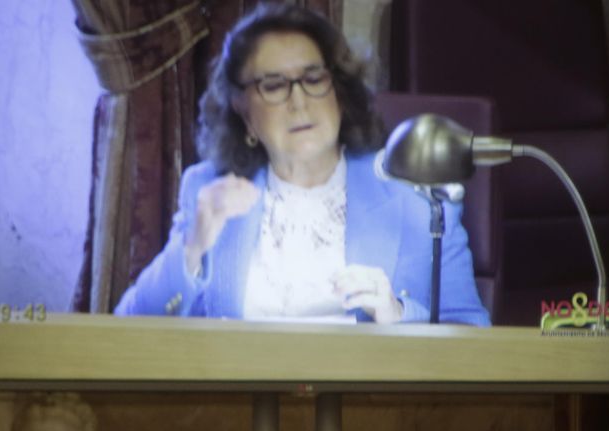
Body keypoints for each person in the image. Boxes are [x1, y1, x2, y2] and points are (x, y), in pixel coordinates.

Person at [115, 4, 490, 326]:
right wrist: (191, 250)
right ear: (243, 112)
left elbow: (471, 333)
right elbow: (130, 327)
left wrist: (396, 313)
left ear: (340, 92)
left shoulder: (418, 196)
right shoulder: (208, 189)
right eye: (274, 85)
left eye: (313, 79)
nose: (299, 102)